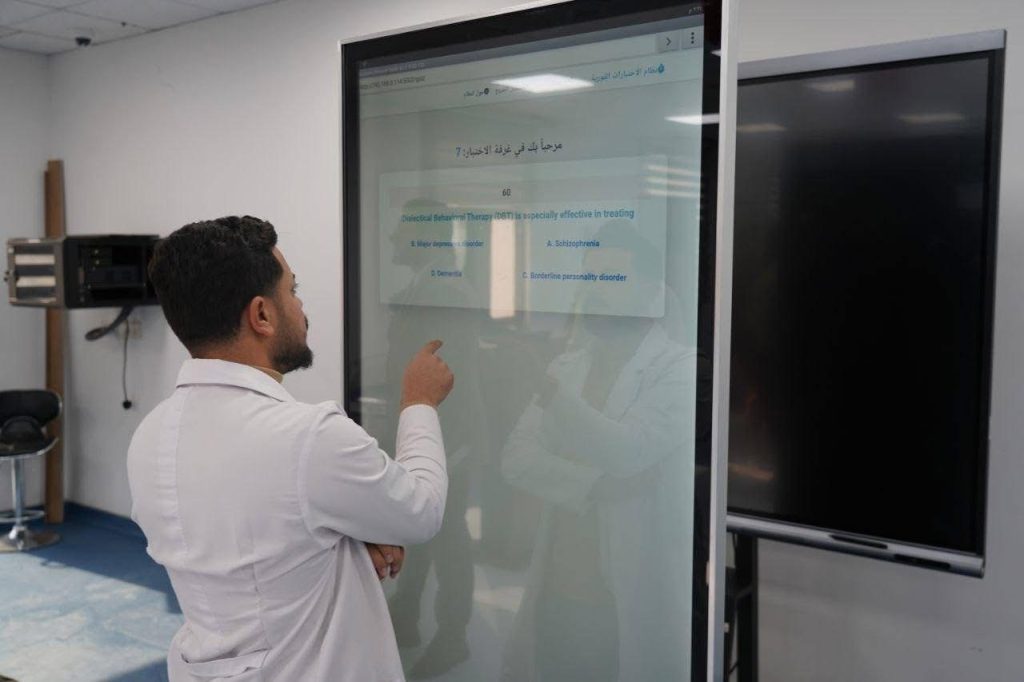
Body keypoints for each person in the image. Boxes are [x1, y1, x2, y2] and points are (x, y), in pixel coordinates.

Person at [127, 216, 453, 682]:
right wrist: (418, 402)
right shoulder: (309, 437)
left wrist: (346, 542)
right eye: (292, 290)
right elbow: (420, 511)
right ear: (261, 315)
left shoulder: (150, 436)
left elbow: (249, 549)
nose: (300, 306)